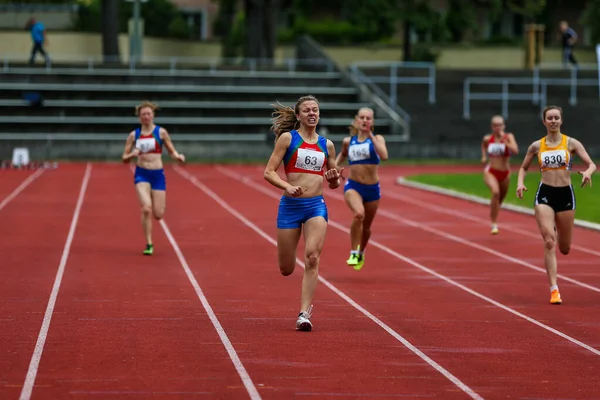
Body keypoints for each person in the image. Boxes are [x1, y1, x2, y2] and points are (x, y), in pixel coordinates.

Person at [263, 95, 342, 331]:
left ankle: (303, 314)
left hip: (316, 206)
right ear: (298, 115)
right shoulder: (288, 139)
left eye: (315, 110)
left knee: (312, 257)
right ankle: (301, 305)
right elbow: (269, 172)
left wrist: (334, 178)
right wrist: (287, 187)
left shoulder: (327, 145)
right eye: (307, 110)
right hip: (290, 206)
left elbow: (334, 183)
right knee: (286, 268)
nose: (311, 113)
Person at [516, 105, 595, 305]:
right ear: (544, 122)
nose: (553, 121)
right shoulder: (536, 146)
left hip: (565, 194)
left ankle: (560, 235)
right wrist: (520, 183)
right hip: (545, 194)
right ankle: (554, 289)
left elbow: (591, 164)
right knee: (549, 241)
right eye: (549, 118)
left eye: (556, 118)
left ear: (561, 120)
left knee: (565, 247)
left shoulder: (571, 143)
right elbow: (523, 167)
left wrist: (587, 172)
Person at [122, 101, 185, 255]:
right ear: (139, 117)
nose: (146, 116)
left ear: (153, 115)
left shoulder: (161, 132)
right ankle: (149, 243)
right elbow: (124, 157)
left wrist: (178, 157)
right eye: (143, 114)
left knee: (158, 214)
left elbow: (171, 150)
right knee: (146, 209)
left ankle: (153, 200)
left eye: (149, 114)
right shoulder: (134, 135)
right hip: (142, 174)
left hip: (157, 174)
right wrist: (132, 154)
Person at [335, 107, 388, 270]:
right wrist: (335, 168)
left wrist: (371, 135)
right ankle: (353, 252)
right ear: (357, 120)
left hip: (372, 189)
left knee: (366, 228)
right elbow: (343, 155)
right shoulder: (348, 141)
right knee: (358, 214)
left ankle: (361, 252)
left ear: (372, 122)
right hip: (354, 186)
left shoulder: (377, 139)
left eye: (368, 118)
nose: (365, 120)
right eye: (362, 118)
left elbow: (384, 156)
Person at [480, 115, 519, 235]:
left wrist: (507, 143)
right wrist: (484, 156)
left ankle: (493, 210)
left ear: (504, 126)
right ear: (492, 127)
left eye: (500, 125)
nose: (497, 127)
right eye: (495, 125)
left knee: (499, 200)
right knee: (495, 193)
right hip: (491, 171)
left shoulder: (509, 136)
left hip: (505, 173)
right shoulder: (488, 138)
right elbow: (483, 145)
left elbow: (516, 151)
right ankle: (494, 224)